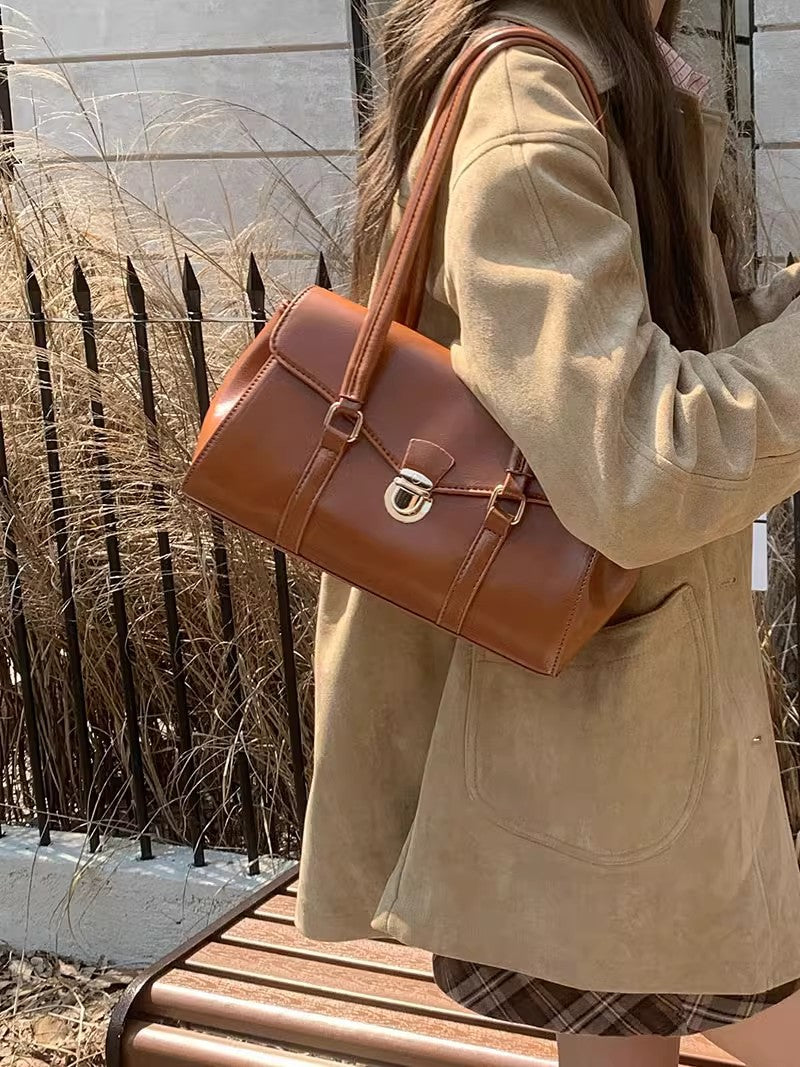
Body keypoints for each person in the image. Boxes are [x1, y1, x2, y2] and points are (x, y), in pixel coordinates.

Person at [295, 1, 800, 1064]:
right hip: (590, 732)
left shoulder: (605, 74)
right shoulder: (529, 97)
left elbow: (650, 363)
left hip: (605, 718)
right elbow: (637, 465)